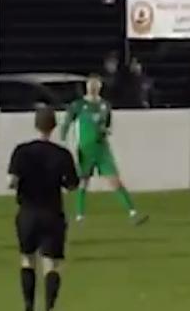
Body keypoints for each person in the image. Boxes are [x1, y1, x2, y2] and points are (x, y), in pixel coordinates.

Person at [8, 106, 80, 311]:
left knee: (27, 259)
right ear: (54, 126)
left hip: (28, 212)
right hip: (52, 213)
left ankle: (28, 310)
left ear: (35, 124)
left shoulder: (22, 151)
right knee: (51, 264)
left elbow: (12, 182)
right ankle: (48, 310)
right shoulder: (62, 154)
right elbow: (72, 186)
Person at [60, 75, 147, 225]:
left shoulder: (105, 105)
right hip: (86, 149)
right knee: (83, 182)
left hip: (102, 149)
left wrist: (105, 130)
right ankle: (80, 216)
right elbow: (67, 122)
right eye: (91, 85)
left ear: (100, 87)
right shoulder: (79, 105)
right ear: (87, 87)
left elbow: (108, 126)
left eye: (96, 85)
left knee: (115, 181)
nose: (93, 88)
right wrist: (64, 136)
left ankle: (133, 213)